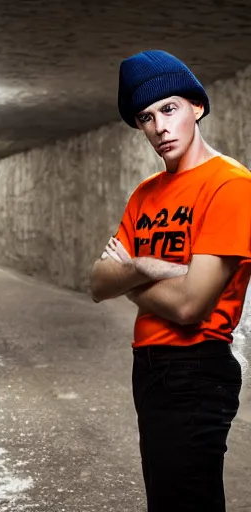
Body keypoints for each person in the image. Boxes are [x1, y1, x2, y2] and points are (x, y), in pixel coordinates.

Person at [89, 50, 251, 512]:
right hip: (151, 368)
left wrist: (130, 269)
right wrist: (154, 267)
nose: (159, 127)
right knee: (167, 498)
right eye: (146, 117)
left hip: (197, 369)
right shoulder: (145, 193)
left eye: (170, 109)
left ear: (196, 107)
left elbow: (190, 306)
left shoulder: (230, 185)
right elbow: (98, 284)